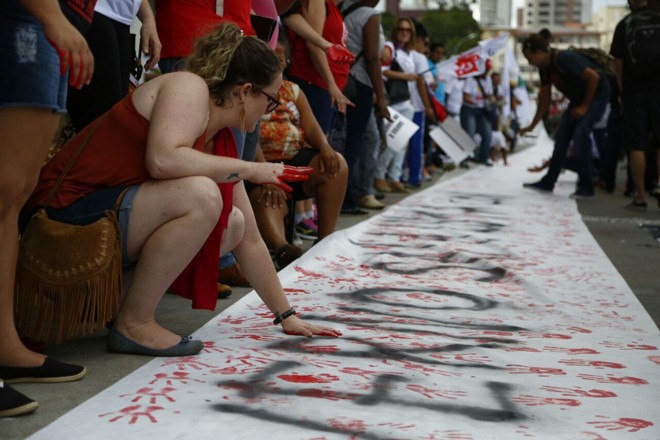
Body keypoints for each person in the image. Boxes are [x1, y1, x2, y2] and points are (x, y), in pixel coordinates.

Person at [22, 22, 342, 361]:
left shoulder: (220, 135)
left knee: (232, 223)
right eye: (271, 101)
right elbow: (162, 159)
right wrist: (252, 169)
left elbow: (249, 239)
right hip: (62, 214)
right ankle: (134, 322)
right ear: (246, 91)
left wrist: (286, 315)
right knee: (203, 196)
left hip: (99, 218)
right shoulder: (189, 88)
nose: (271, 111)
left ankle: (113, 306)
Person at [1, 0, 95, 417]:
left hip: (55, 18)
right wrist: (50, 14)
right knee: (4, 192)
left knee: (14, 195)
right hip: (30, 15)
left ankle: (5, 345)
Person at [249, 34, 348, 267]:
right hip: (260, 163)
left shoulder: (293, 90)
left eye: (280, 60)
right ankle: (283, 248)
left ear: (287, 62)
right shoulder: (250, 90)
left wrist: (324, 147)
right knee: (270, 197)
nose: (276, 65)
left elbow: (311, 126)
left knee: (336, 164)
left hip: (292, 160)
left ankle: (324, 242)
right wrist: (267, 174)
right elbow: (249, 137)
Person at [520, 32, 610, 198]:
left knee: (580, 136)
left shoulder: (564, 58)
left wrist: (584, 107)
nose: (530, 62)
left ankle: (586, 186)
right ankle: (548, 182)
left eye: (530, 57)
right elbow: (544, 100)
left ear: (540, 52)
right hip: (578, 99)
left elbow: (594, 77)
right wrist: (532, 126)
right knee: (561, 138)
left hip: (596, 95)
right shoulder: (545, 70)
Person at [67, 0, 161, 132]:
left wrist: (148, 19)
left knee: (113, 118)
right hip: (95, 12)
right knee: (101, 122)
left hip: (123, 19)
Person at [340, 0, 390, 213]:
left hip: (345, 80)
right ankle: (348, 197)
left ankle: (358, 191)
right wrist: (381, 95)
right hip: (360, 84)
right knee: (356, 142)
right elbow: (371, 57)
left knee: (364, 139)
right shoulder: (369, 14)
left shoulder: (344, 9)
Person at [610, 0, 660, 211]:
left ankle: (640, 197)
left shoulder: (625, 25)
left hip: (634, 92)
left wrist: (622, 92)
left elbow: (618, 66)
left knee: (637, 145)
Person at [373, 17, 418, 194]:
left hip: (406, 102)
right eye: (401, 29)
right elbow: (382, 71)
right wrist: (405, 77)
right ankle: (379, 175)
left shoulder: (408, 53)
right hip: (393, 102)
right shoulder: (390, 47)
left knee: (401, 143)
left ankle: (394, 177)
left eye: (408, 30)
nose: (404, 33)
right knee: (393, 142)